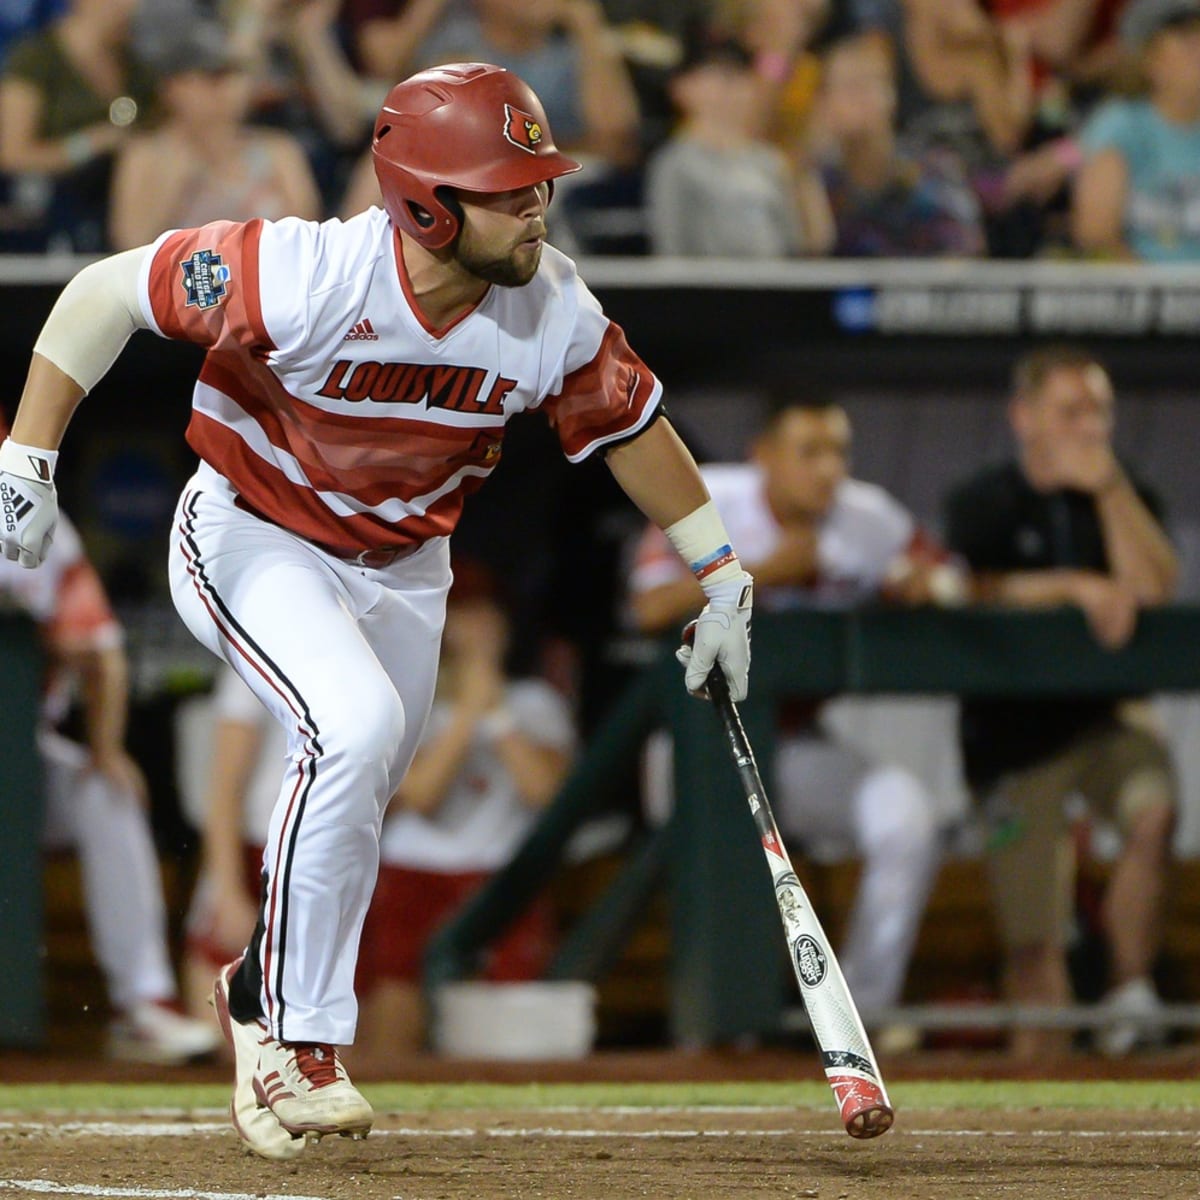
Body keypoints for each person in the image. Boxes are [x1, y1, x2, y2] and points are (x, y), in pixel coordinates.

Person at [0, 62, 752, 1159]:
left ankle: (263, 985)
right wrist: (27, 455)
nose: (537, 201)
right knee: (348, 726)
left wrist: (722, 573)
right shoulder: (304, 272)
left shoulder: (551, 306)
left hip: (405, 565)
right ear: (424, 202)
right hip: (253, 531)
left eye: (537, 178)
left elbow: (631, 428)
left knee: (363, 779)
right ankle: (294, 1036)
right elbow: (104, 293)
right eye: (506, 185)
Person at [629, 395, 960, 1034]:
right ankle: (722, 1036)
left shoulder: (868, 518)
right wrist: (762, 575)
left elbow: (948, 576)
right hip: (695, 747)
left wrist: (921, 585)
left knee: (907, 815)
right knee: (731, 880)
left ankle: (859, 1016)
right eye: (810, 452)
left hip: (796, 745)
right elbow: (646, 607)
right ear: (764, 457)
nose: (829, 469)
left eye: (839, 451)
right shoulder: (706, 496)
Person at [943, 344, 1179, 1060]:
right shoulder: (983, 498)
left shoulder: (1125, 492)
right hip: (1013, 742)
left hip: (1102, 721)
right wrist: (1075, 587)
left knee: (1154, 805)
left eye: (1099, 410)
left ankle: (1130, 989)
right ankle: (1038, 1109)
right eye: (1070, 410)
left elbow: (1155, 584)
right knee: (1035, 942)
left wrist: (1107, 489)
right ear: (1025, 417)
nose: (1090, 426)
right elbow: (969, 586)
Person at [0, 420, 219, 1066]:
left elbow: (104, 651)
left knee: (107, 791)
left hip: (18, 765)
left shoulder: (33, 521)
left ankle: (141, 1006)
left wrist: (104, 747)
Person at [354, 557, 574, 1068]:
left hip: (501, 874)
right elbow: (420, 795)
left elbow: (547, 793)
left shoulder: (535, 701)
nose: (478, 628)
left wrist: (496, 713)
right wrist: (469, 711)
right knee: (393, 1002)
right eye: (463, 614)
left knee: (505, 1020)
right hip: (414, 871)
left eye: (486, 614)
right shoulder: (404, 698)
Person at [108, 22, 321, 251]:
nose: (225, 89)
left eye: (231, 74)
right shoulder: (145, 155)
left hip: (267, 280)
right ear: (172, 86)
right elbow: (129, 247)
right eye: (210, 77)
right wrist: (173, 185)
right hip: (182, 282)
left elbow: (308, 239)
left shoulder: (278, 150)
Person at [644, 28, 834, 258]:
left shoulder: (770, 162)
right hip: (708, 289)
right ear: (682, 87)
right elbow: (670, 251)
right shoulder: (674, 164)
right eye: (718, 74)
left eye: (740, 74)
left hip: (772, 286)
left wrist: (805, 173)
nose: (731, 86)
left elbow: (803, 245)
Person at [175, 663, 284, 1040]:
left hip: (322, 855)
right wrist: (228, 889)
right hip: (256, 849)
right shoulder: (260, 658)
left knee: (326, 1053)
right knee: (232, 1044)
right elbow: (223, 790)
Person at [0, 0, 156, 251]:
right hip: (52, 209)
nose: (128, 6)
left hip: (121, 203)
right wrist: (89, 144)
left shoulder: (136, 63)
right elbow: (12, 154)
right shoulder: (35, 59)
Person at [813, 31, 986, 257]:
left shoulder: (933, 170)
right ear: (824, 101)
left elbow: (965, 256)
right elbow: (806, 261)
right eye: (848, 87)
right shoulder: (818, 181)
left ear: (891, 94)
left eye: (869, 84)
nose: (860, 99)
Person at [1071, 0, 1200, 262]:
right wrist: (1156, 293)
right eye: (1189, 46)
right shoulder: (1122, 124)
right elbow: (1096, 235)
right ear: (1151, 62)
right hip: (1147, 289)